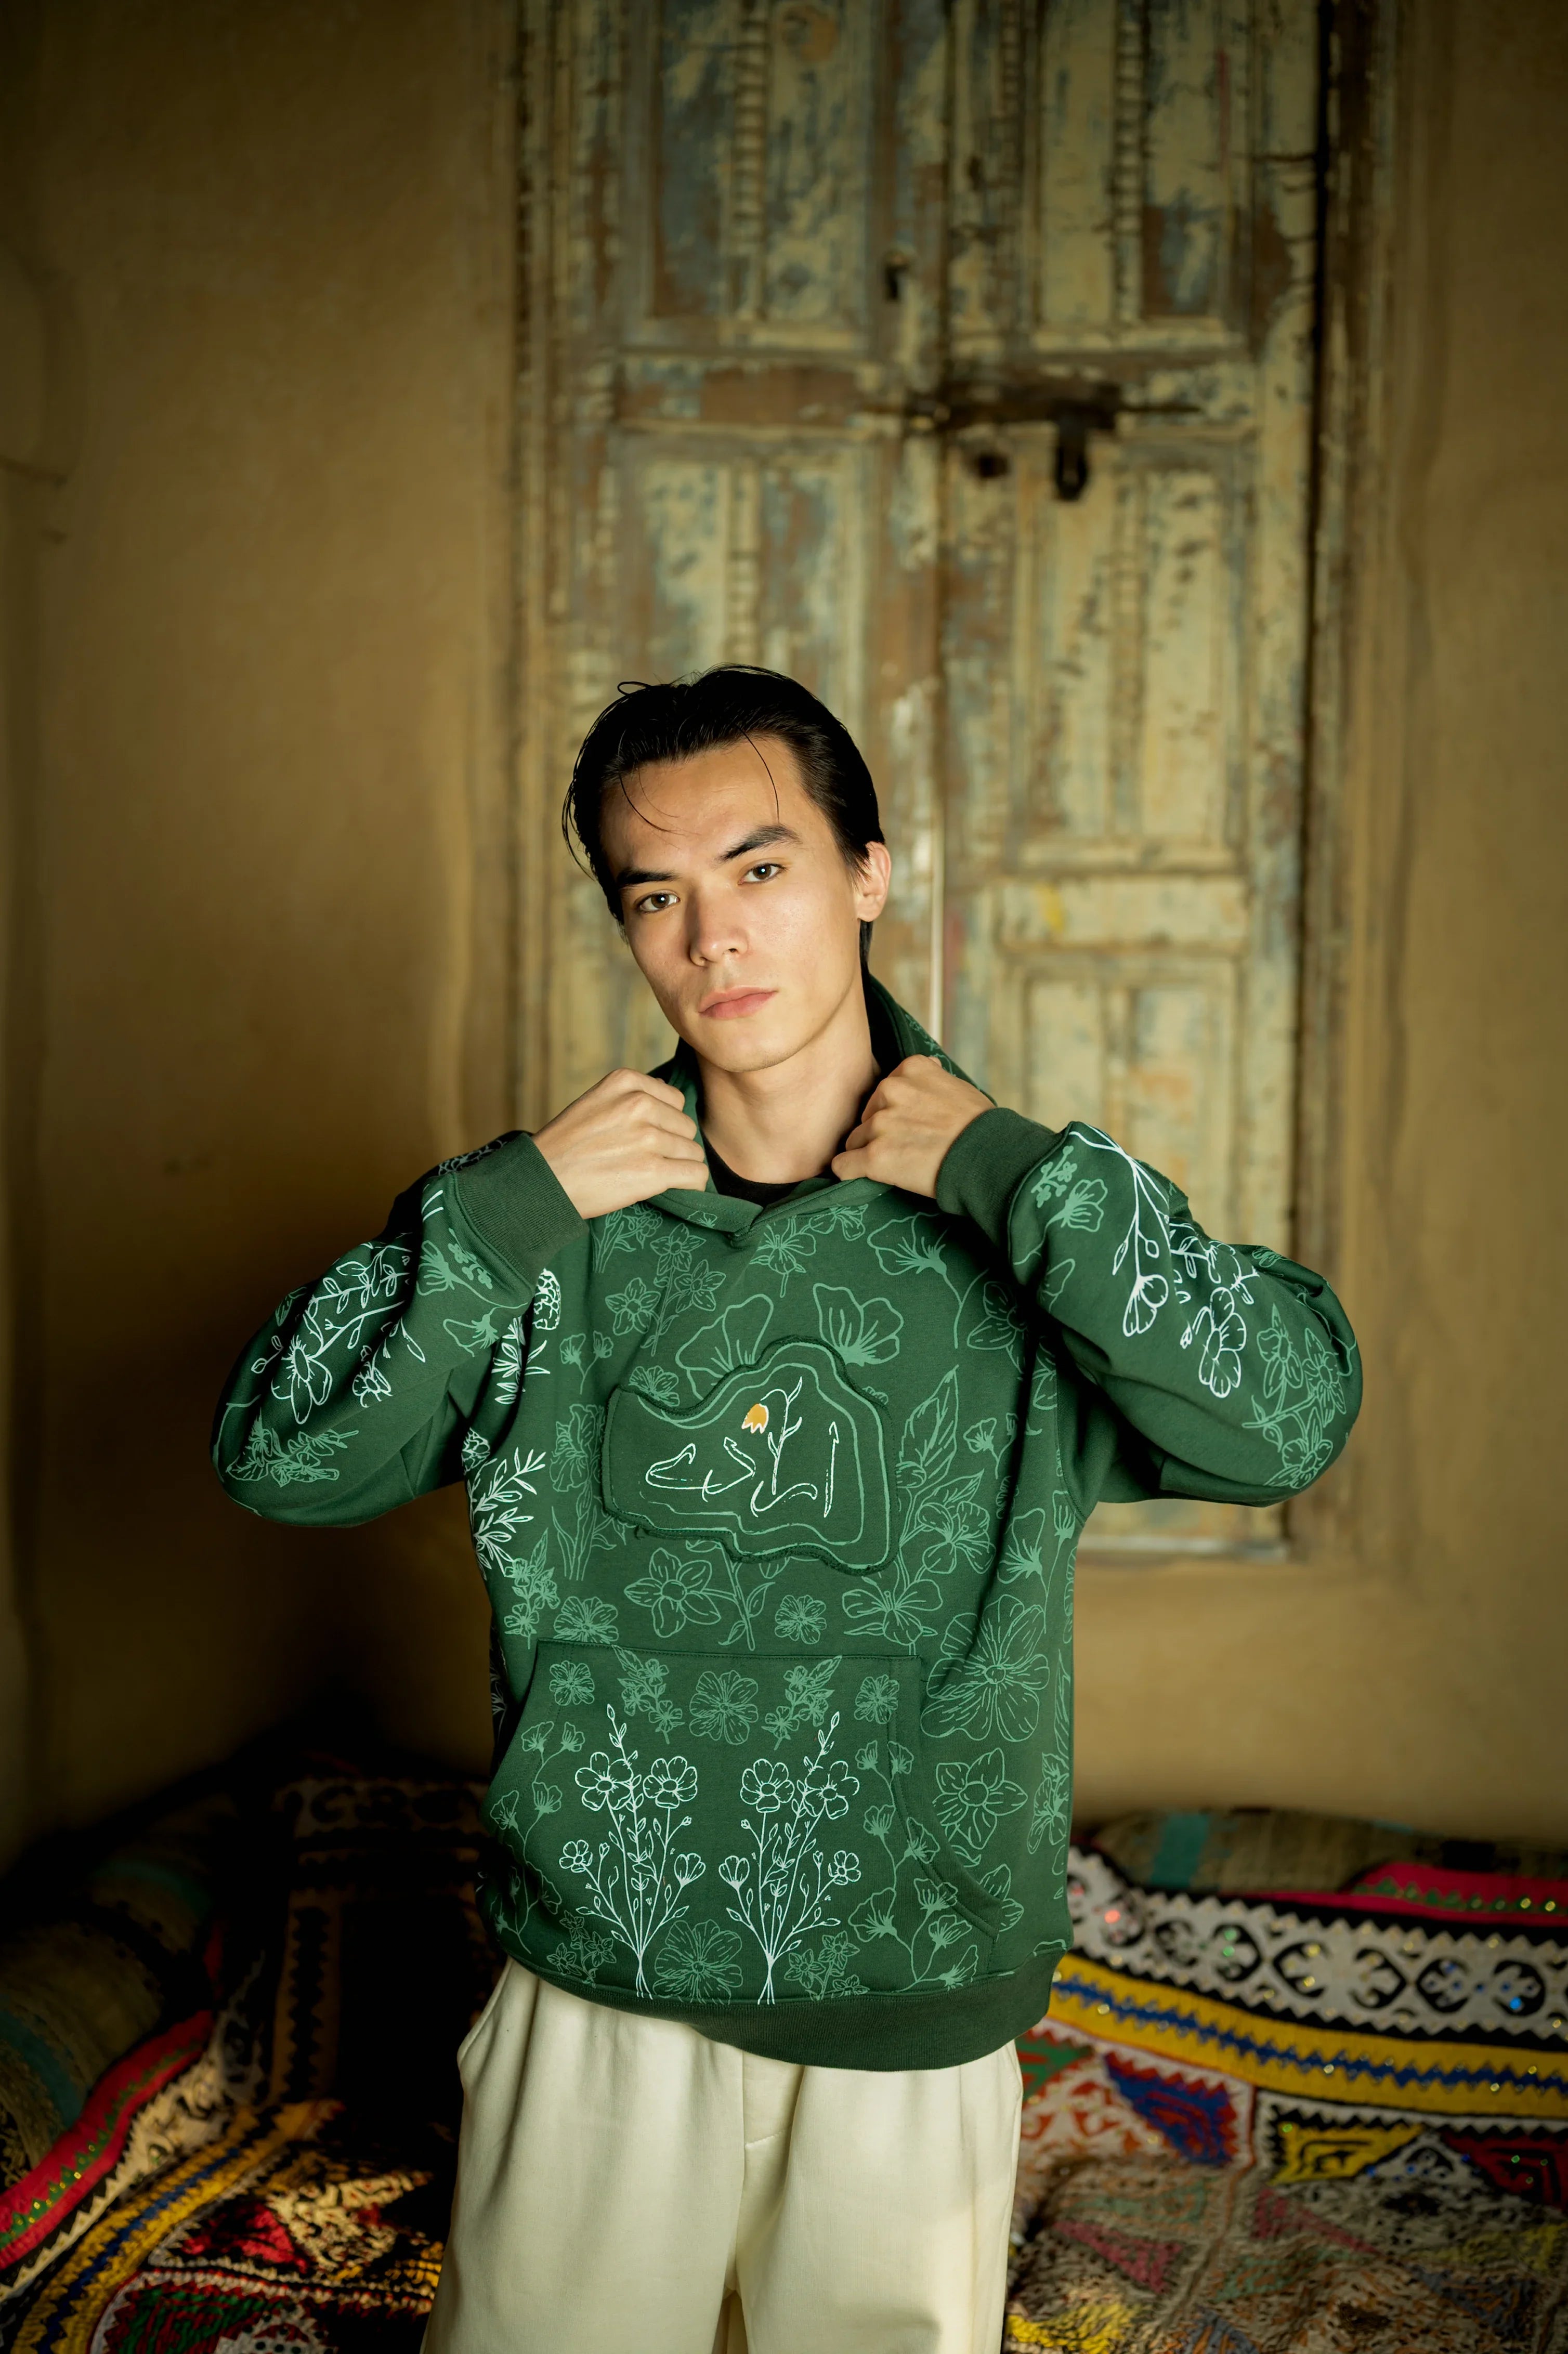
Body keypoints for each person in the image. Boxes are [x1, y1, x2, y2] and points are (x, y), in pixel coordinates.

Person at [213, 667, 1360, 2354]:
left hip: (916, 1983)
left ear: (869, 874)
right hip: (599, 1987)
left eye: (761, 869)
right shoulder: (550, 1229)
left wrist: (1014, 1174)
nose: (714, 938)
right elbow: (281, 1452)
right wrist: (511, 1206)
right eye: (655, 896)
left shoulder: (1028, 1219)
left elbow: (1289, 1417)